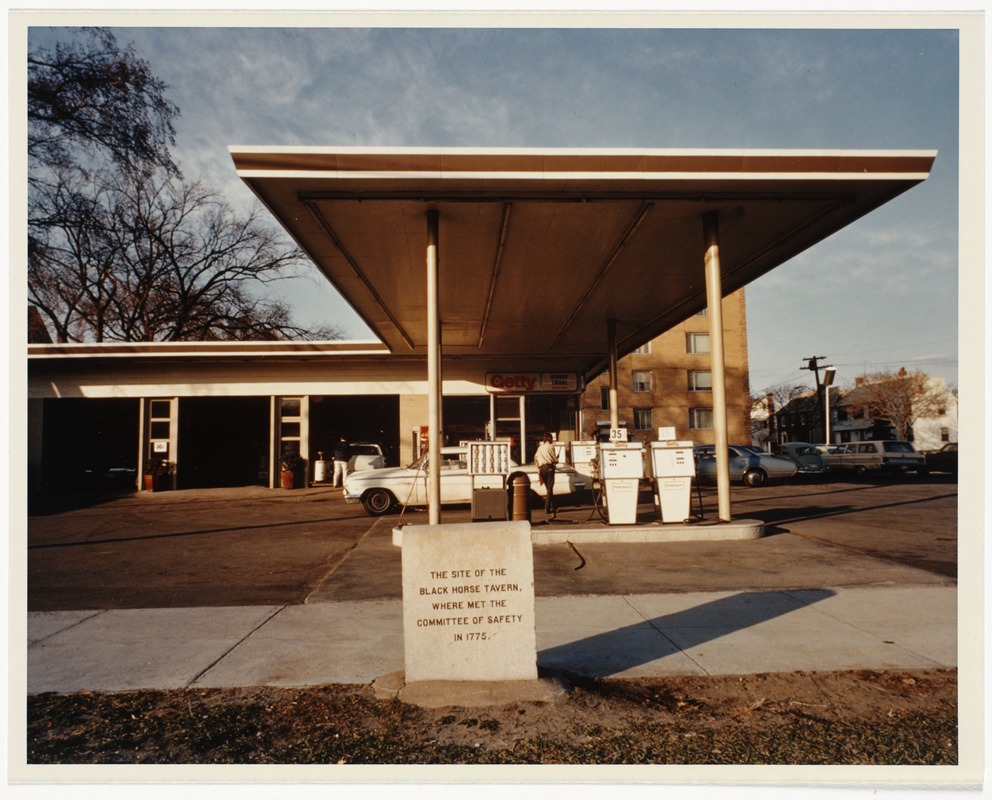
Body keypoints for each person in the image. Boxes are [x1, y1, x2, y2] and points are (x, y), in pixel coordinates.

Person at [533, 433, 559, 516]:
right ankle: (547, 507)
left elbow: (535, 458)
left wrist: (538, 470)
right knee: (550, 489)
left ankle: (554, 506)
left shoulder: (540, 448)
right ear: (550, 438)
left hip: (542, 469)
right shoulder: (551, 447)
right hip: (550, 468)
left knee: (548, 488)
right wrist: (556, 460)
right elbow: (554, 458)